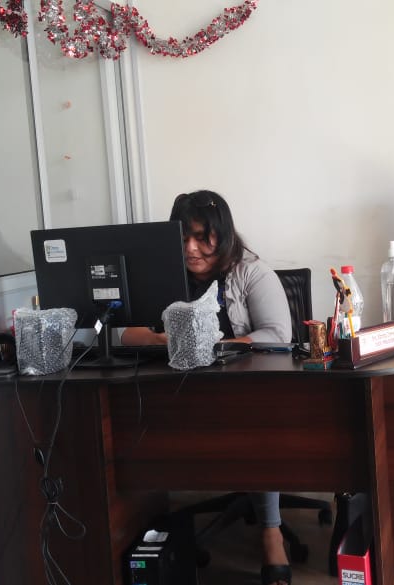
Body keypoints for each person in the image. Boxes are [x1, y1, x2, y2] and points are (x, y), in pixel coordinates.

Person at [121, 189, 293, 585]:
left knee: (257, 423)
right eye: (183, 238)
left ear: (223, 234)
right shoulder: (162, 276)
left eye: (202, 237)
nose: (191, 249)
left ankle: (271, 532)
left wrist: (210, 345)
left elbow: (277, 334)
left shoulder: (252, 273)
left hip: (244, 393)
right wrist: (160, 339)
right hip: (176, 394)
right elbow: (125, 334)